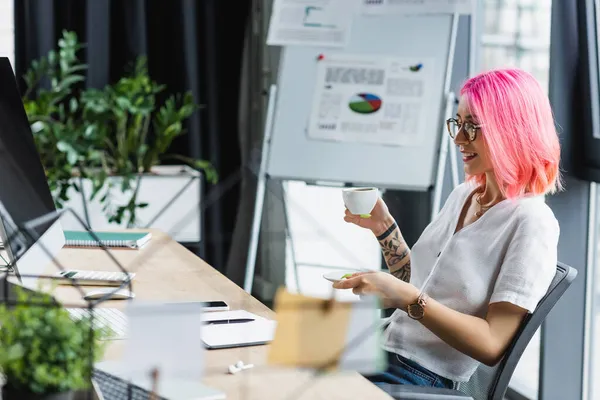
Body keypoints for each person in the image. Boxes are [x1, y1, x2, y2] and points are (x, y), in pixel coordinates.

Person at [333, 68, 562, 390]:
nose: (458, 138)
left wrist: (408, 298)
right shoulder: (465, 194)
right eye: (458, 122)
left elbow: (491, 344)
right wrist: (385, 229)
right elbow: (421, 283)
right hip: (382, 348)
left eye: (473, 127)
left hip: (421, 376)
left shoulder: (532, 223)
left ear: (512, 132)